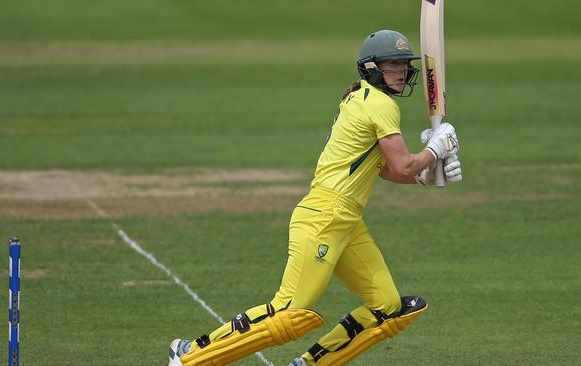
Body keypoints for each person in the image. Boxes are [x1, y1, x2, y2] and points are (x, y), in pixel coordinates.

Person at [167, 29, 462, 366]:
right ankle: (191, 357)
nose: (403, 72)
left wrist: (425, 173)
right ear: (371, 68)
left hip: (346, 221)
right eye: (393, 64)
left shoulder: (363, 99)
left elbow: (386, 170)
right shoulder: (379, 104)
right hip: (325, 215)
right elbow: (403, 164)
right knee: (289, 313)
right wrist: (434, 150)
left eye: (404, 65)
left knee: (387, 309)